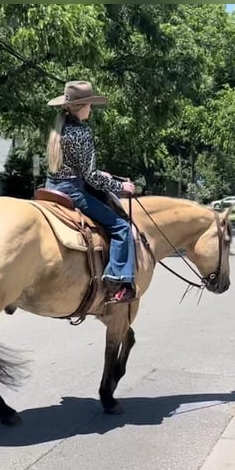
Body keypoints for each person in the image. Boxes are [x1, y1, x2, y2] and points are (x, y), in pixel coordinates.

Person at [44, 80, 137, 304]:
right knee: (121, 227)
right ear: (81, 106)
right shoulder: (81, 132)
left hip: (50, 187)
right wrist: (120, 186)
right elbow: (90, 177)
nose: (91, 109)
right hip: (73, 191)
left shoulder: (58, 128)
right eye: (89, 104)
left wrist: (98, 173)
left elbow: (76, 167)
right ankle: (118, 280)